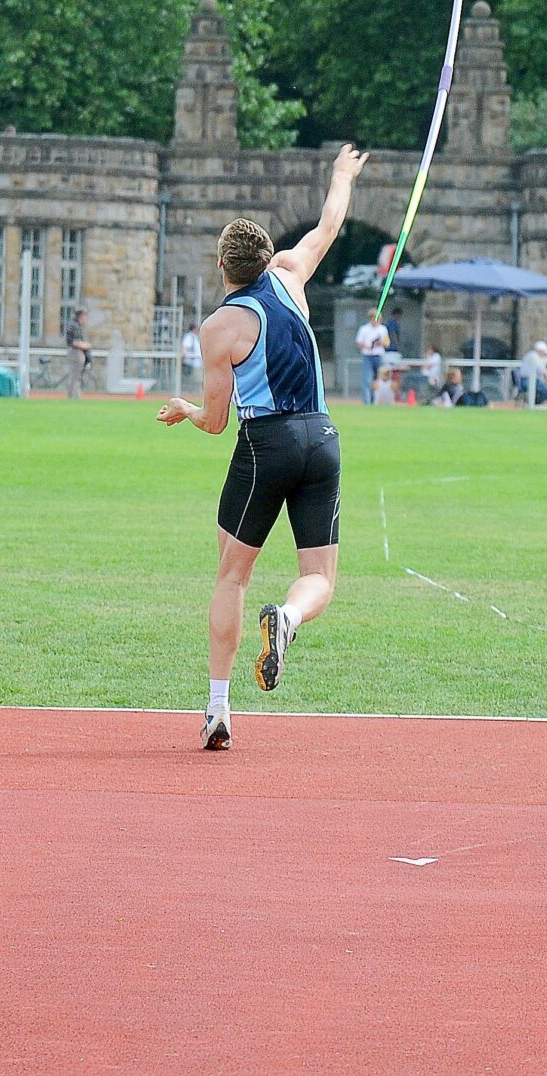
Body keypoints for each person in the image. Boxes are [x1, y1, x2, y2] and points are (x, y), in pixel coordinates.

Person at [156, 141, 368, 751]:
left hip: (264, 444)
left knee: (232, 575)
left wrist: (186, 409)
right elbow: (330, 222)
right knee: (319, 578)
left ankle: (218, 708)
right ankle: (292, 618)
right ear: (268, 256)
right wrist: (340, 171)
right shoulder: (291, 275)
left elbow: (217, 422)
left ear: (222, 268)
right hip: (322, 438)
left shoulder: (218, 328)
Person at [355, 312, 390, 404]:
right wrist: (368, 345)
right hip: (368, 356)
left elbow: (387, 344)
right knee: (367, 379)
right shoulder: (364, 329)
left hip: (379, 356)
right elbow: (359, 343)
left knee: (379, 379)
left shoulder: (383, 329)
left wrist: (380, 343)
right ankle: (367, 401)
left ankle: (376, 400)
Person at [64, 307, 91, 398]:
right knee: (75, 377)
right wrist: (85, 345)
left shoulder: (76, 325)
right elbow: (74, 342)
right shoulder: (74, 326)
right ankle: (72, 396)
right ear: (81, 316)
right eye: (85, 316)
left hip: (77, 353)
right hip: (76, 353)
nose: (86, 319)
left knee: (77, 377)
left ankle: (77, 396)